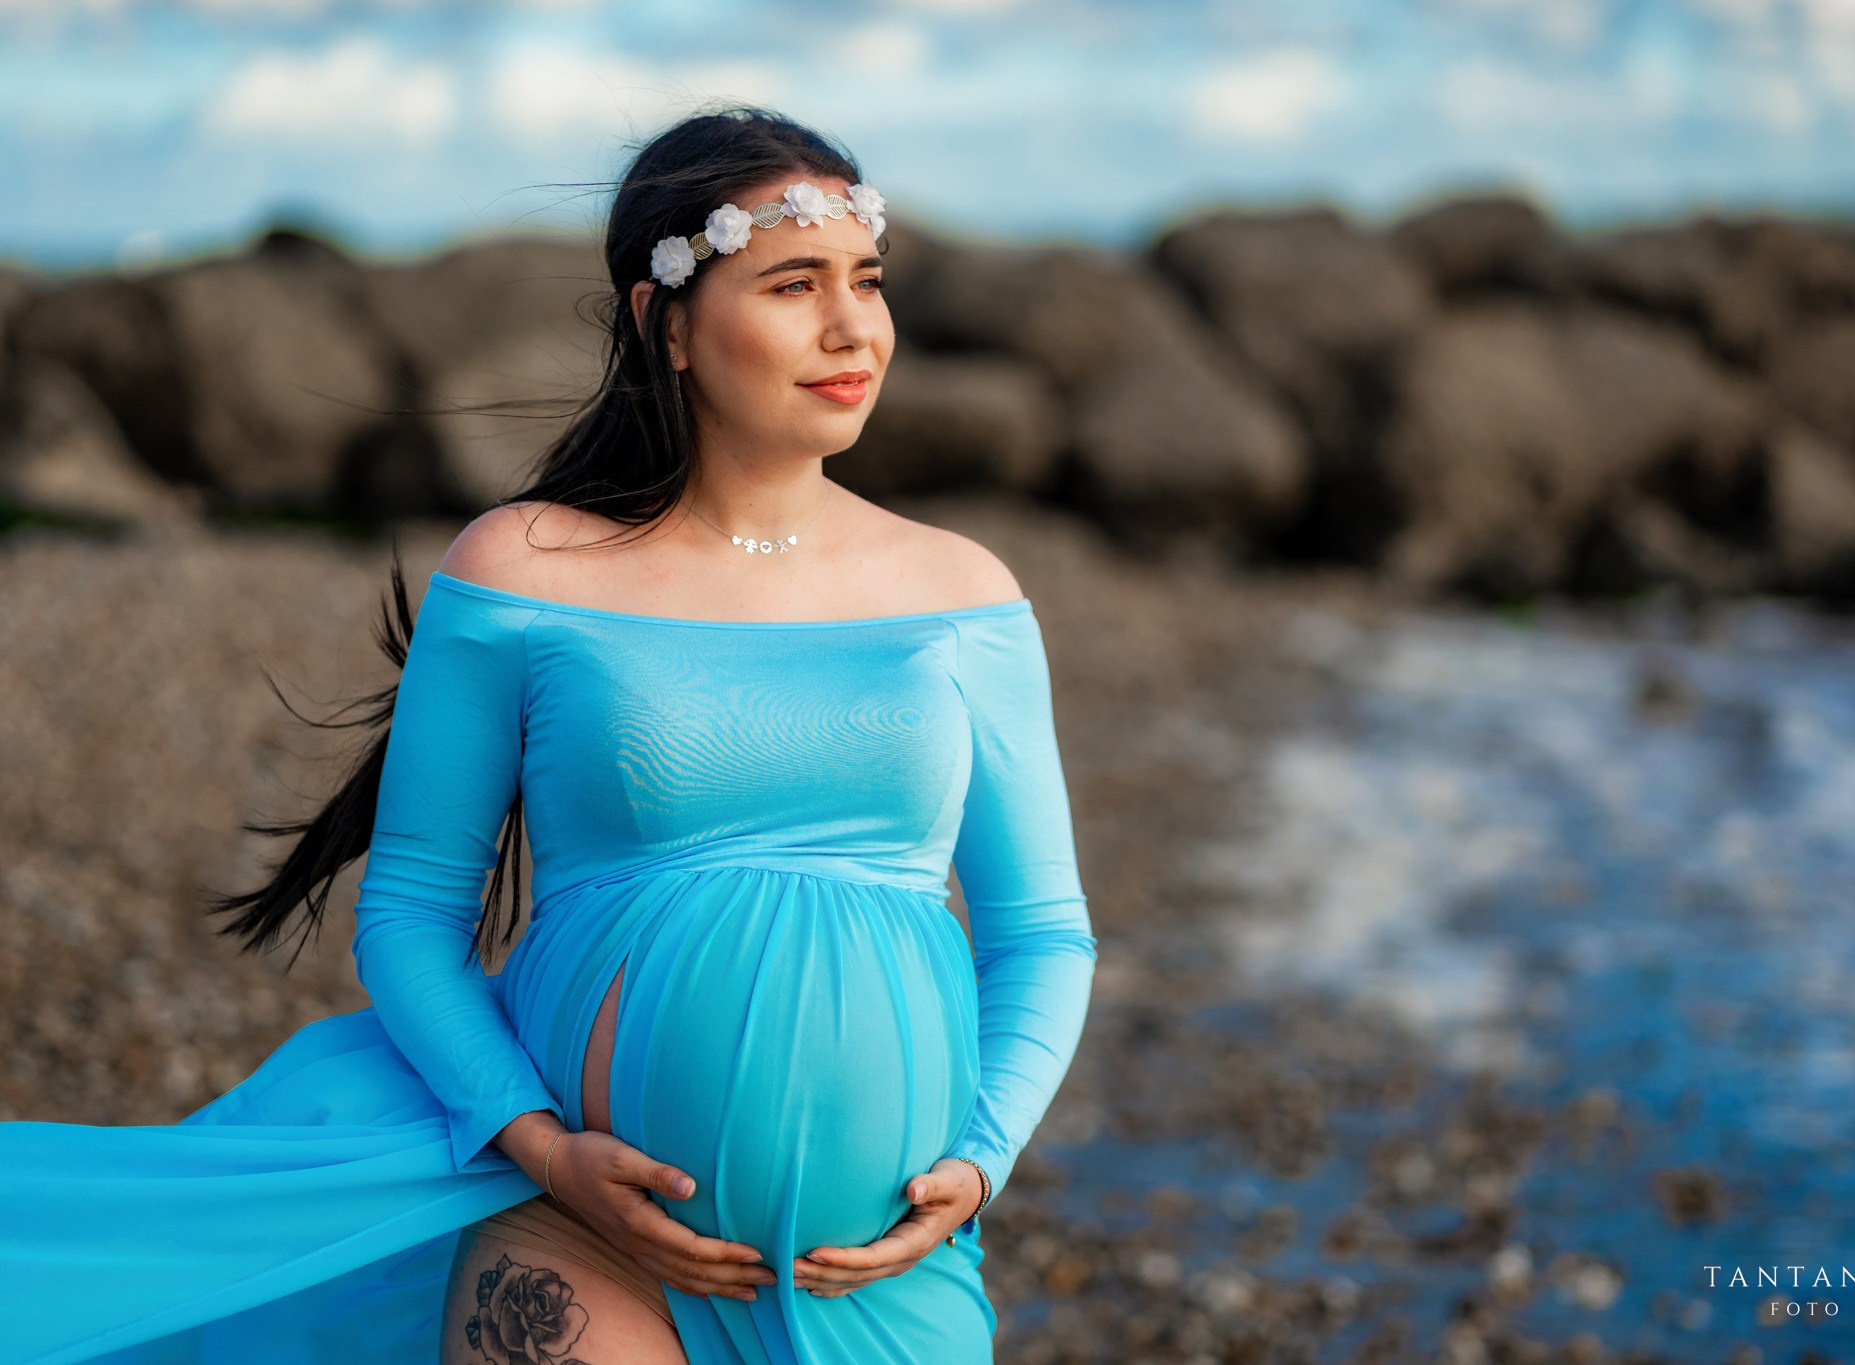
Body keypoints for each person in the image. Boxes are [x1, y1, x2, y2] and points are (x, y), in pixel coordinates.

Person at [1, 105, 1097, 1365]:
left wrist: (983, 1154)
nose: (853, 328)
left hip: (879, 1274)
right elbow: (410, 911)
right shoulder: (524, 570)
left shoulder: (961, 590)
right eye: (794, 284)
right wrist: (534, 1142)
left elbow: (1040, 930)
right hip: (575, 1241)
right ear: (665, 324)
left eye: (866, 282)